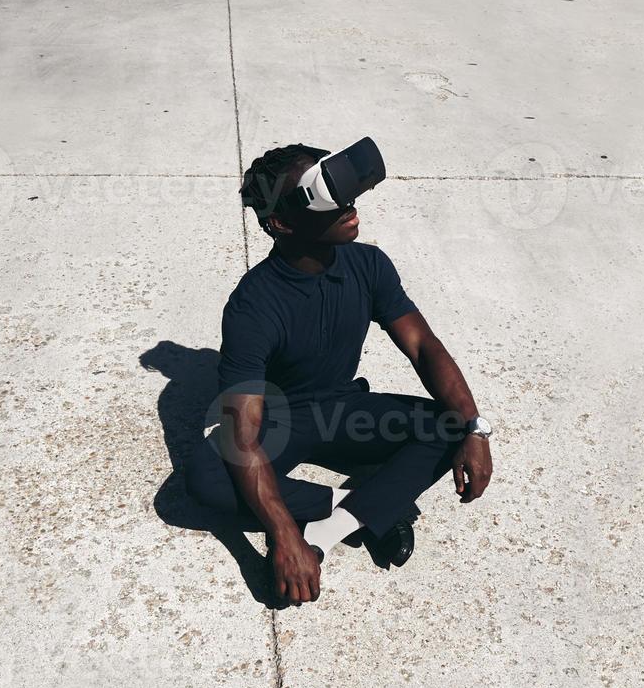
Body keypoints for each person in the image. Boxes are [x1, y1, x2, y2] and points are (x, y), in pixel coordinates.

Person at [185, 143, 493, 604]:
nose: (350, 208)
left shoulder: (369, 265)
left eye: (347, 196)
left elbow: (423, 347)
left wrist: (475, 427)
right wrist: (284, 532)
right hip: (280, 421)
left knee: (448, 425)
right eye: (329, 201)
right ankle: (380, 506)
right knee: (204, 479)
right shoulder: (253, 306)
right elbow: (242, 435)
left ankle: (333, 528)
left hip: (346, 410)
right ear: (284, 223)